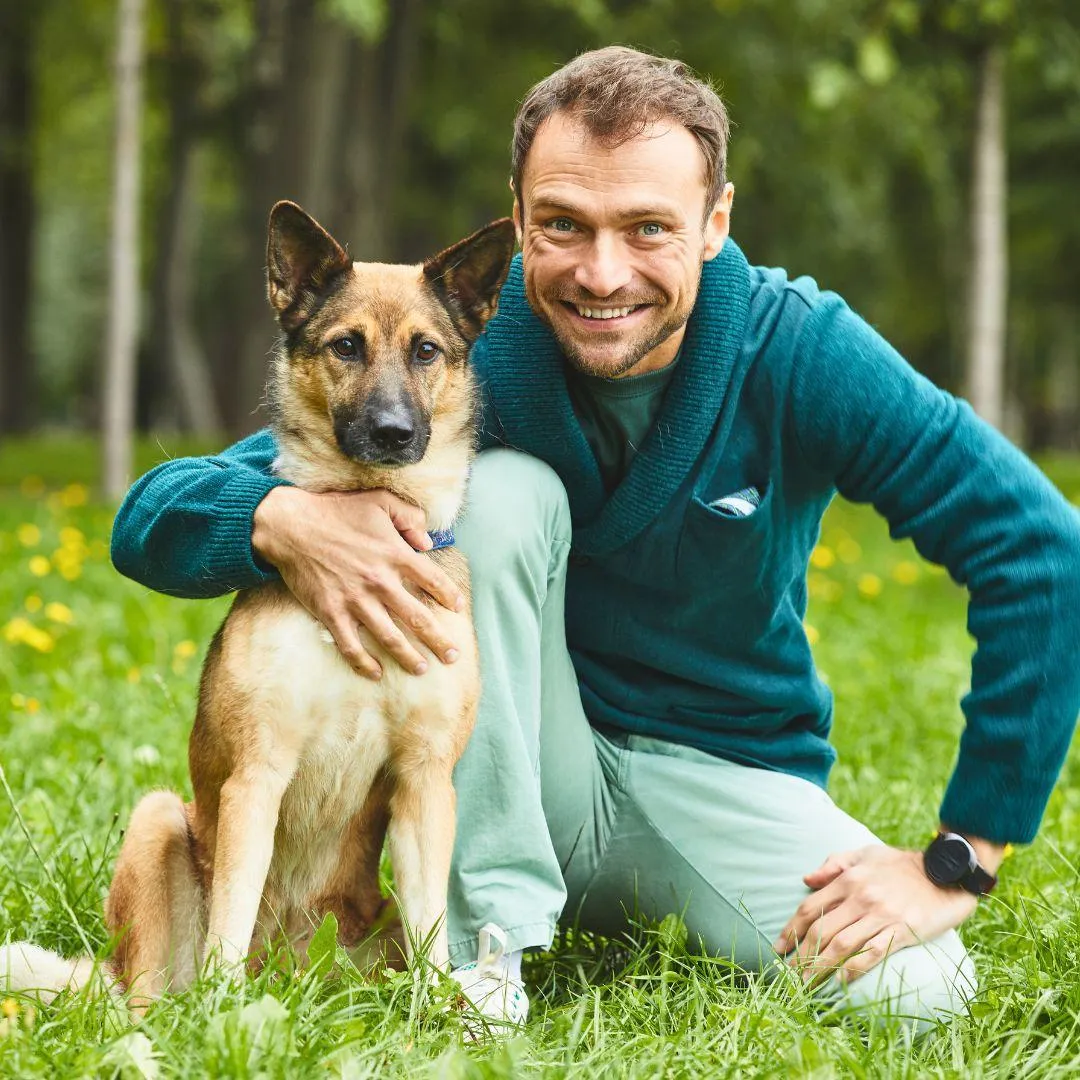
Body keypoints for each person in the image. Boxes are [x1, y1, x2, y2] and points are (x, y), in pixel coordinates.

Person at [112, 47, 1080, 1034]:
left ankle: (636, 906)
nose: (603, 273)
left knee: (924, 993)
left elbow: (1043, 550)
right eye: (565, 226)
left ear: (716, 222)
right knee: (498, 497)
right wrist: (278, 519)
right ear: (520, 219)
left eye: (649, 227)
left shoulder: (798, 351)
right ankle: (489, 959)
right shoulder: (464, 349)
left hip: (723, 776)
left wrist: (962, 853)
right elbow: (151, 516)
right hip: (519, 771)